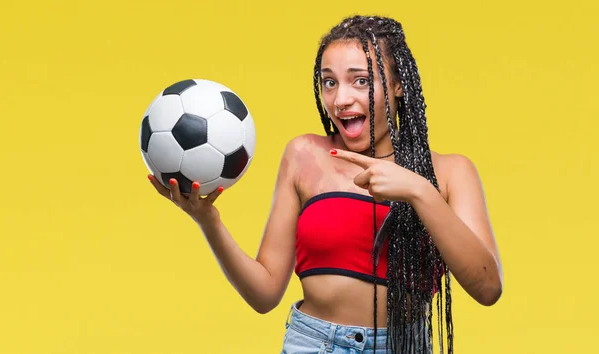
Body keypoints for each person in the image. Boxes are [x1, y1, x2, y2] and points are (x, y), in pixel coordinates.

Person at [148, 14, 503, 354]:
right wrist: (208, 221)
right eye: (329, 81)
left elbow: (488, 288)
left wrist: (418, 191)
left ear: (398, 85)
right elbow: (264, 294)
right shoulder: (304, 155)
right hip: (314, 344)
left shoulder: (451, 173)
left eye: (360, 80)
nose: (340, 99)